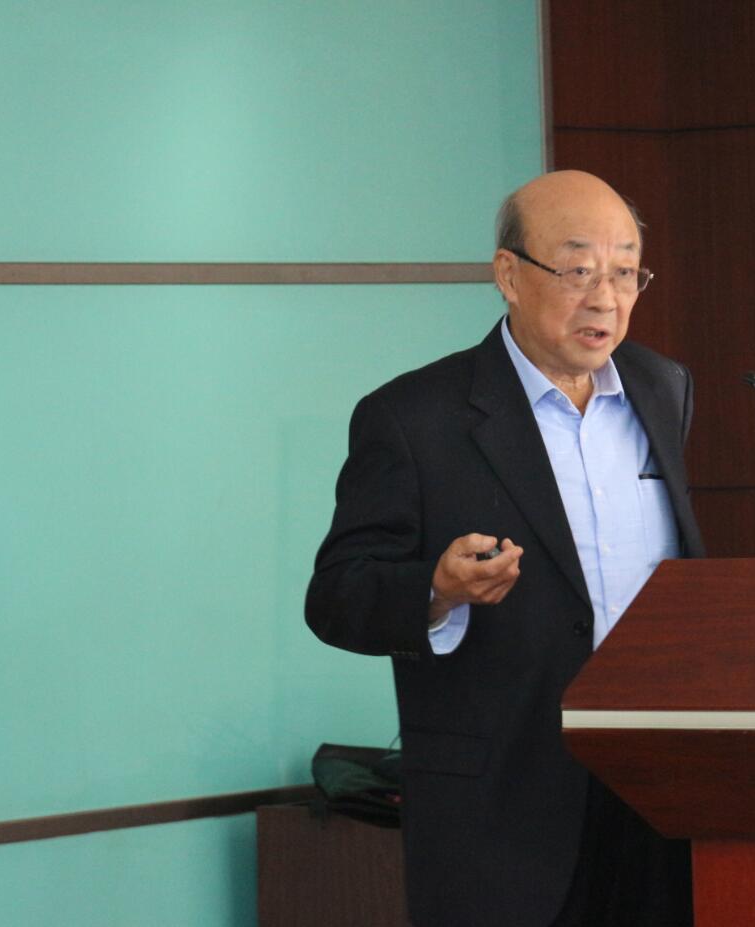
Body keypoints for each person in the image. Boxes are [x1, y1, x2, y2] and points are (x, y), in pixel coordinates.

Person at [306, 170, 704, 927]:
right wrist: (437, 590)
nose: (606, 298)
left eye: (626, 272)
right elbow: (337, 595)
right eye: (579, 270)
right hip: (503, 813)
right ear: (509, 275)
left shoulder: (663, 388)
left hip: (654, 794)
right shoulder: (414, 417)